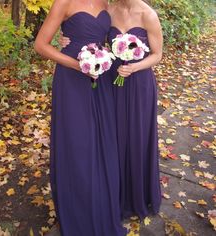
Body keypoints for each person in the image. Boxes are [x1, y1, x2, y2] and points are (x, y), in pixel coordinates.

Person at [59, 0, 163, 223]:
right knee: (114, 138)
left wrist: (134, 67)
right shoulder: (110, 9)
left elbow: (157, 54)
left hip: (139, 83)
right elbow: (94, 37)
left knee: (135, 138)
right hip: (112, 83)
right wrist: (66, 39)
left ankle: (135, 195)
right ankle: (114, 194)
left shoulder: (148, 14)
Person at [34, 0, 126, 235]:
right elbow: (41, 45)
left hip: (101, 78)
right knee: (77, 140)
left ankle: (102, 201)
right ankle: (78, 208)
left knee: (102, 138)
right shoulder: (64, 2)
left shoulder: (106, 2)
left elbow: (108, 39)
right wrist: (77, 64)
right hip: (72, 78)